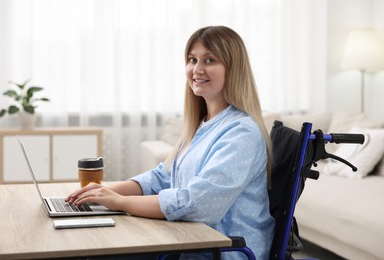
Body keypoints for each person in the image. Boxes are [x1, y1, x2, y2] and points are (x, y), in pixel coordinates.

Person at [66, 25, 275, 259]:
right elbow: (163, 177)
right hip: (191, 240)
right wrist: (104, 192)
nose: (197, 69)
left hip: (225, 251)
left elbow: (199, 203)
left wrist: (119, 202)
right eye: (192, 59)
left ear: (233, 68)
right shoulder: (204, 123)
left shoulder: (241, 132)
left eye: (209, 60)